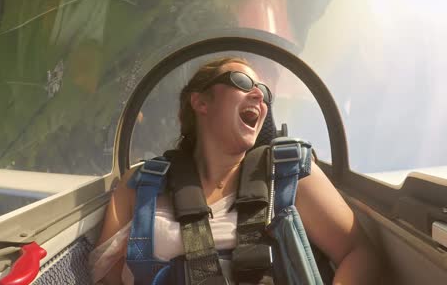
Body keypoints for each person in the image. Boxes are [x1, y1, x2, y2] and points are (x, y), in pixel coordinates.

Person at [89, 56, 380, 284]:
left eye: (265, 92)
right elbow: (104, 276)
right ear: (201, 102)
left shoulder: (289, 175)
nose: (259, 96)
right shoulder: (141, 185)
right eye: (242, 82)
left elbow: (359, 254)